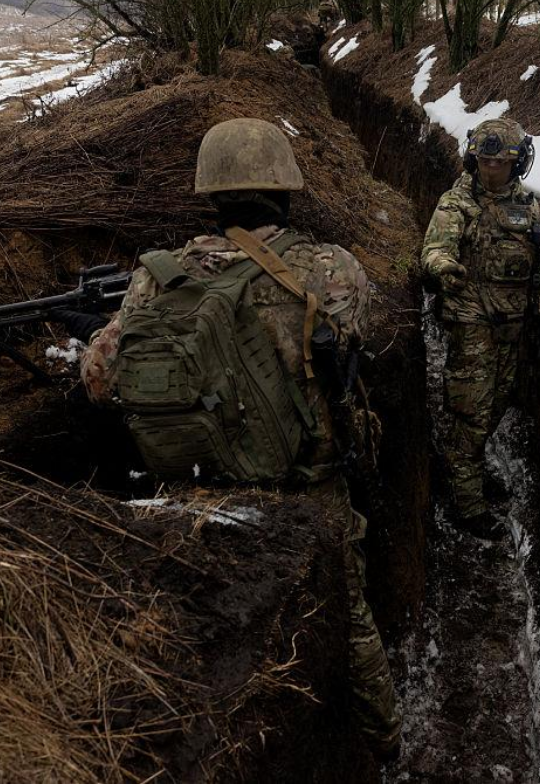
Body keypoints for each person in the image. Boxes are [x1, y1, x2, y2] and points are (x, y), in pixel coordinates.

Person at [78, 117, 402, 761]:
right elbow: (368, 332)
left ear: (210, 195)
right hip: (305, 488)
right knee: (350, 613)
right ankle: (384, 742)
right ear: (284, 191)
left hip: (194, 493)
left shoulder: (158, 277)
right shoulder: (329, 268)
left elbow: (98, 379)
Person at [421, 118, 540, 541]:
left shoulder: (528, 207)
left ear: (517, 164)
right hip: (471, 319)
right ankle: (467, 505)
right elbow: (435, 249)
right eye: (485, 161)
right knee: (471, 413)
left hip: (511, 323)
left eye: (500, 162)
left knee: (497, 403)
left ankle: (468, 469)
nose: (491, 169)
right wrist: (443, 268)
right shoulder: (456, 204)